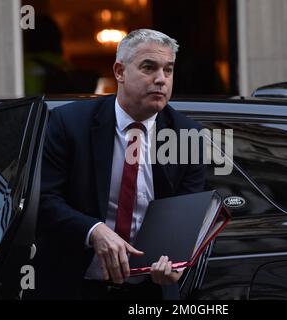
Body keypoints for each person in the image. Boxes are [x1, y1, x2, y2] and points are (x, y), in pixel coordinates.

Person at [29, 29, 206, 300]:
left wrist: (175, 263)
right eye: (149, 67)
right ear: (120, 72)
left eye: (168, 70)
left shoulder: (187, 135)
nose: (161, 79)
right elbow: (43, 199)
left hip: (150, 290)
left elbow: (188, 213)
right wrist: (93, 230)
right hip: (75, 284)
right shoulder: (69, 123)